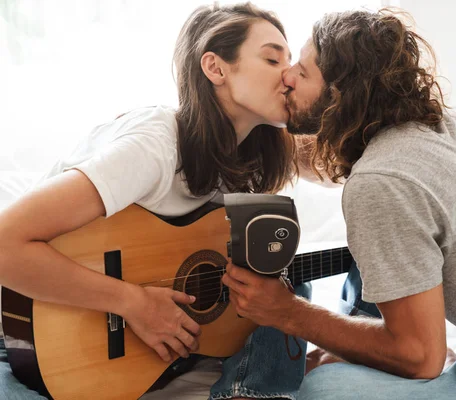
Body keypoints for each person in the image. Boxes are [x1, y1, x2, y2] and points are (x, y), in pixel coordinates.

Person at [222, 8, 456, 400]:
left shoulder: (381, 181)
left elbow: (420, 358)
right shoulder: (432, 129)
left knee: (324, 389)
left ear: (339, 96)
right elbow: (319, 161)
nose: (287, 76)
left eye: (302, 71)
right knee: (363, 292)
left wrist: (289, 312)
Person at [0, 3, 312, 400]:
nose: (288, 75)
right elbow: (4, 245)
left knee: (288, 281)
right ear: (215, 68)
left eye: (291, 62)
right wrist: (133, 303)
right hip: (28, 329)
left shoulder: (249, 163)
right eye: (272, 58)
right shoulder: (155, 146)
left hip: (129, 357)